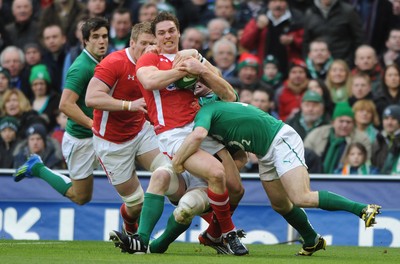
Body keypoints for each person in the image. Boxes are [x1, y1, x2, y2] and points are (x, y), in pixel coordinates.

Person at [111, 11, 248, 256]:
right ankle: (227, 235)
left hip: (202, 127)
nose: (167, 36)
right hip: (173, 134)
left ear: (179, 32)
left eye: (171, 31)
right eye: (161, 32)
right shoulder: (149, 59)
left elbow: (229, 95)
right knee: (215, 174)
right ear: (155, 37)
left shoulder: (192, 56)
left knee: (236, 188)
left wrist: (201, 69)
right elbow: (150, 82)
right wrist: (183, 71)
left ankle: (214, 234)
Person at [172, 101, 381, 256]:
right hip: (265, 153)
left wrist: (177, 161)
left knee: (301, 197)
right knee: (281, 205)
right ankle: (311, 239)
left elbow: (198, 134)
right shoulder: (213, 121)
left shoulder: (205, 113)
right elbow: (242, 157)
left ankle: (363, 209)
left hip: (281, 139)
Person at [13, 17, 110, 205]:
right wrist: (93, 125)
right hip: (81, 139)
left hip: (101, 137)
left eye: (105, 36)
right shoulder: (81, 67)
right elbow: (65, 105)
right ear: (85, 41)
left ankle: (134, 229)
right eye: (96, 37)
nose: (101, 41)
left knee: (126, 179)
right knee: (81, 197)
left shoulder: (104, 61)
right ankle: (38, 168)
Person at [240, 0, 304, 77]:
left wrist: (293, 40)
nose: (278, 5)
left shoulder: (296, 19)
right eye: (274, 1)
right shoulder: (259, 18)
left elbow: (306, 44)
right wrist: (257, 28)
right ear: (268, 4)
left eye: (281, 1)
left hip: (289, 71)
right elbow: (245, 43)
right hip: (263, 70)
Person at [304, 102, 371, 174]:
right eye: (341, 121)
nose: (344, 125)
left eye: (348, 122)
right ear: (333, 122)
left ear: (353, 124)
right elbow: (304, 157)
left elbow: (365, 162)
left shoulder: (362, 139)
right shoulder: (317, 134)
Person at [371, 104, 400, 174]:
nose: (389, 123)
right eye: (386, 119)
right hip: (381, 182)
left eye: (393, 119)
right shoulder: (378, 139)